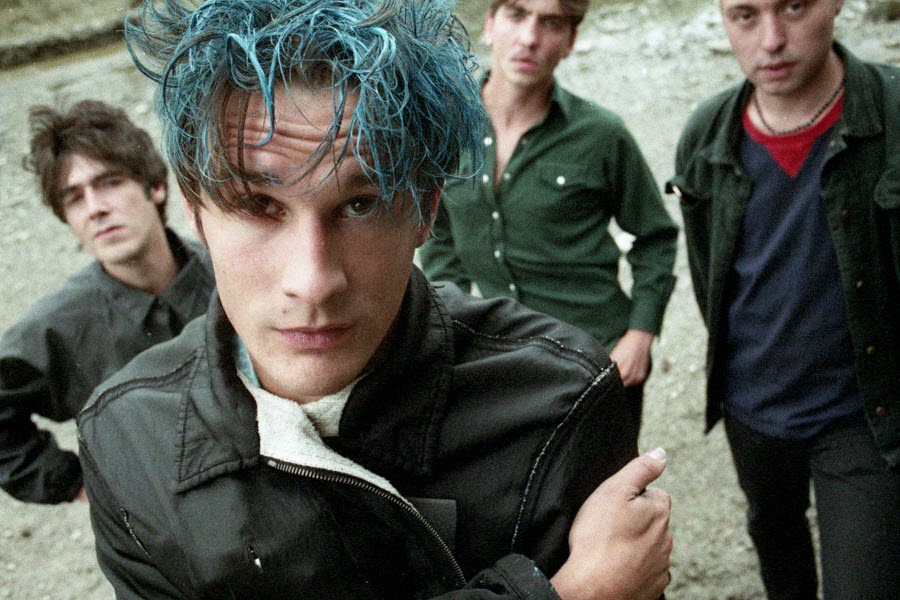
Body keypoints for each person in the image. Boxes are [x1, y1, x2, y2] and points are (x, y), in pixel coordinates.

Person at [77, 0, 672, 598]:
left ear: (426, 210)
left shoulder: (560, 403)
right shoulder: (125, 440)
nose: (313, 281)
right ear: (194, 211)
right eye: (259, 204)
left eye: (361, 204)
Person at [667, 0, 900, 597]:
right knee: (779, 556)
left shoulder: (892, 112)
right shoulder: (706, 134)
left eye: (794, 6)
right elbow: (709, 272)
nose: (771, 39)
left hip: (862, 417)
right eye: (745, 15)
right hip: (753, 414)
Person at [419, 0, 678, 432]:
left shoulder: (601, 134)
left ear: (570, 41)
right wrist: (451, 329)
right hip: (503, 359)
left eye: (551, 23)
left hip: (595, 356)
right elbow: (440, 234)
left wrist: (640, 335)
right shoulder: (449, 126)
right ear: (490, 24)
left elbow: (655, 236)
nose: (530, 38)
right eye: (517, 14)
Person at [0, 100, 215, 505]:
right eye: (74, 198)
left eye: (109, 182)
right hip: (164, 529)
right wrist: (76, 484)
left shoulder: (231, 273)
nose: (95, 208)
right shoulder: (59, 326)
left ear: (155, 186)